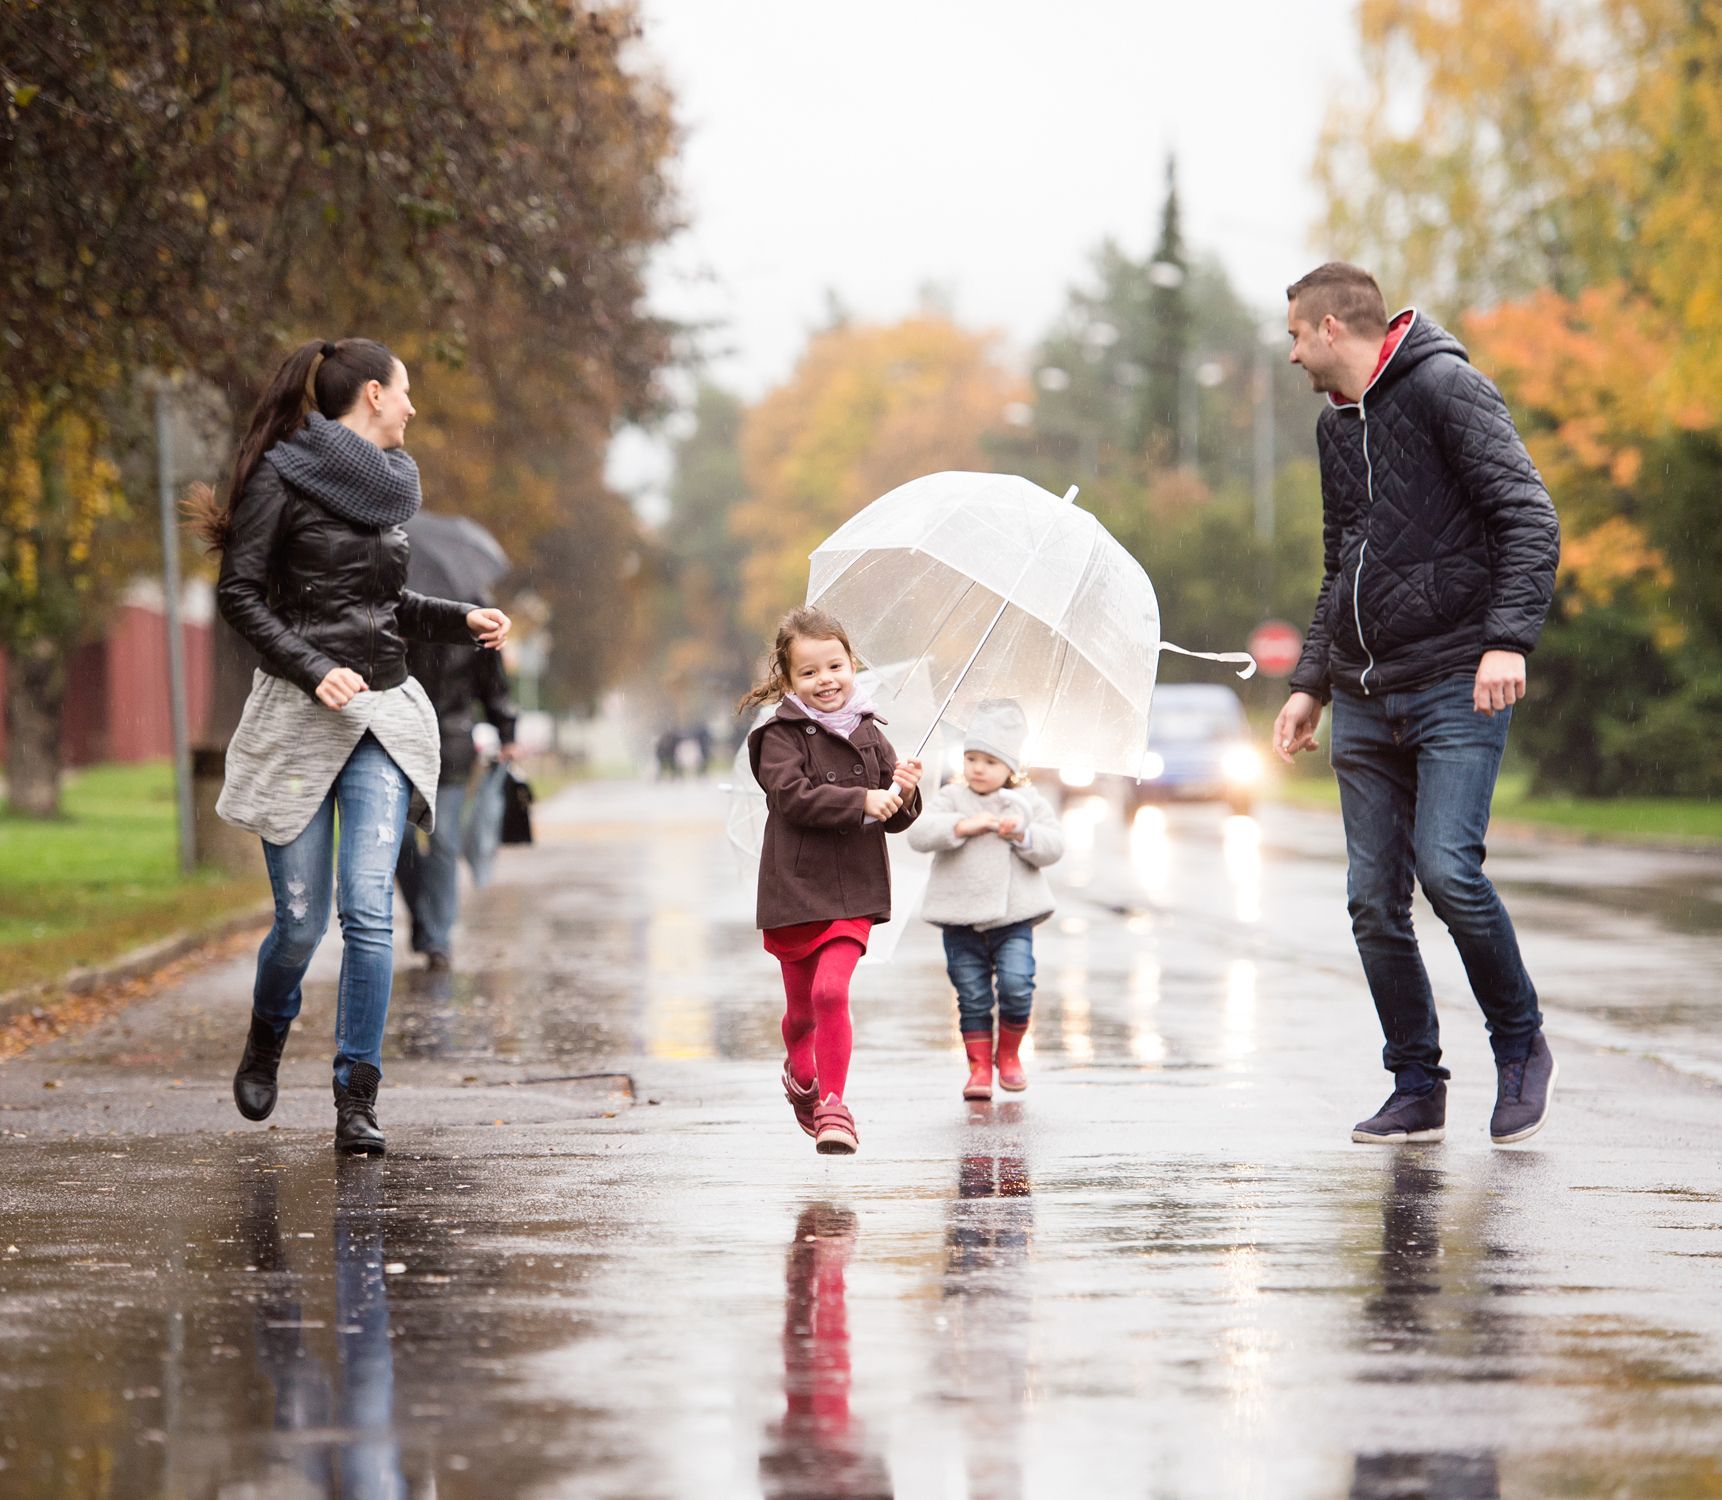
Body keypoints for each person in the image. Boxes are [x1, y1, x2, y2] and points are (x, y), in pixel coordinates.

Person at [196, 337, 510, 1156]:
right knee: (299, 925)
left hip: (380, 716)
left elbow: (378, 603)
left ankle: (355, 1097)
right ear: (372, 393)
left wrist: (456, 620)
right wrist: (310, 667)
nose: (413, 408)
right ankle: (268, 1036)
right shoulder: (280, 475)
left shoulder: (390, 489)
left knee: (368, 911)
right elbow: (238, 594)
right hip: (300, 719)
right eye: (406, 393)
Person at [1272, 262, 1561, 1147]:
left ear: (1330, 328)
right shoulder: (1335, 428)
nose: (1289, 355)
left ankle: (1519, 1045)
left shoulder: (1445, 386)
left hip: (1451, 679)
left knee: (1448, 872)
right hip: (1364, 690)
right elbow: (1341, 563)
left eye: (1293, 335)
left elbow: (1527, 513)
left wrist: (1506, 638)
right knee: (1371, 901)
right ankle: (1415, 1082)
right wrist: (1310, 683)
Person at [742, 606, 923, 1155]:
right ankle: (801, 1077)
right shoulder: (779, 736)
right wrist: (861, 799)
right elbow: (790, 797)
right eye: (810, 672)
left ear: (853, 665)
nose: (826, 681)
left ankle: (834, 1106)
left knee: (830, 990)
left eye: (835, 666)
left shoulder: (871, 732)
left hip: (854, 888)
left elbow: (895, 817)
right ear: (788, 678)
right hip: (795, 888)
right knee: (801, 1011)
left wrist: (905, 792)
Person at [907, 699, 1064, 1100]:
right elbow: (920, 834)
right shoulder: (952, 797)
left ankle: (1008, 1054)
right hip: (960, 918)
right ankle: (979, 1068)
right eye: (971, 758)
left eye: (990, 762)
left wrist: (1022, 835)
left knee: (1016, 985)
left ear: (1011, 768)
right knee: (972, 994)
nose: (977, 768)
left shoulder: (1026, 802)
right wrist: (962, 825)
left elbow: (1053, 845)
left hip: (1013, 917)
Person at [395, 624, 517, 970]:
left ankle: (438, 939)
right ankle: (425, 917)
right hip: (399, 742)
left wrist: (506, 730)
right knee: (399, 839)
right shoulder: (397, 604)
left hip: (451, 746)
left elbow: (493, 684)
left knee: (443, 840)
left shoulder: (475, 614)